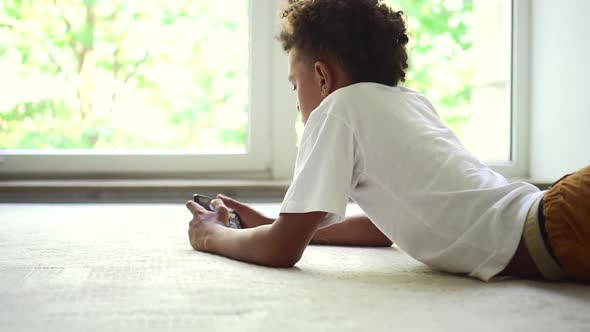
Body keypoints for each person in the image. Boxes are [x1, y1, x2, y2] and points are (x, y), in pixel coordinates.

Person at [185, 0, 590, 283]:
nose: (296, 103)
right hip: (556, 210)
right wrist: (278, 223)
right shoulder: (408, 101)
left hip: (561, 223)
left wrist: (213, 236)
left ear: (323, 78)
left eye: (295, 85)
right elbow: (381, 230)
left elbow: (281, 251)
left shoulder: (337, 108)